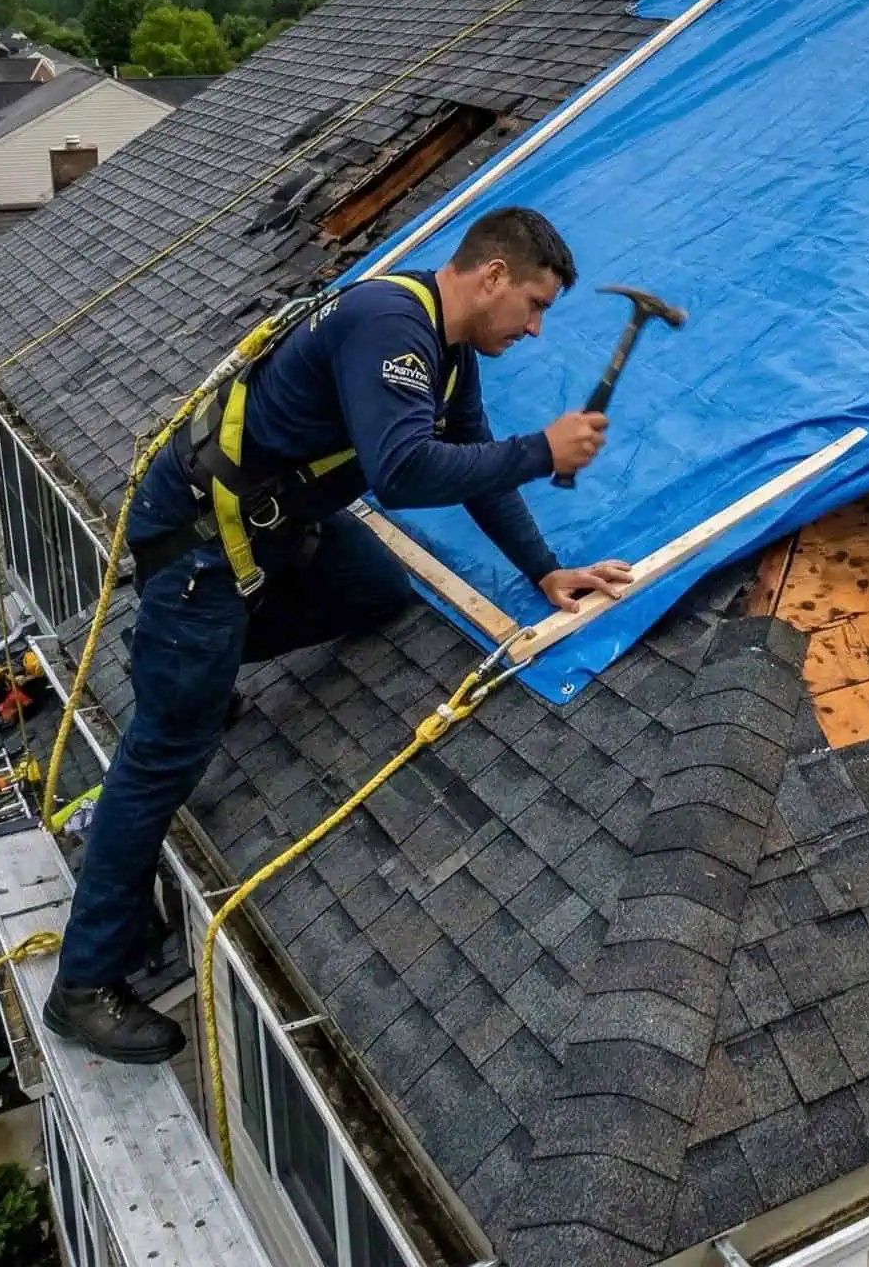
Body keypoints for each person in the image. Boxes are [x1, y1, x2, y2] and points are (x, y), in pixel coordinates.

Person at [45, 206, 634, 1062]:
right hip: (206, 543)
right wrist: (543, 450)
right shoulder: (389, 324)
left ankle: (197, 661)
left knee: (374, 588)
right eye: (535, 305)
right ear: (493, 275)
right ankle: (84, 981)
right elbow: (401, 472)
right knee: (165, 753)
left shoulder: (448, 347)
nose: (536, 330)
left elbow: (466, 450)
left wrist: (544, 569)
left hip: (285, 522)